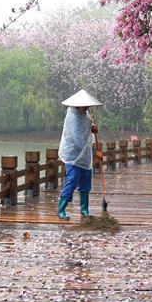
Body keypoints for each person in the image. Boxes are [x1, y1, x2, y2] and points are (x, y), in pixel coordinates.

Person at [57, 88, 103, 220]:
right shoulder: (72, 115)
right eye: (85, 105)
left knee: (86, 179)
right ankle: (61, 209)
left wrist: (91, 128)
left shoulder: (86, 114)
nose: (87, 107)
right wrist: (95, 152)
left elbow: (86, 131)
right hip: (73, 154)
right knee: (72, 180)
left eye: (88, 105)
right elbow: (78, 139)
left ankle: (84, 209)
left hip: (84, 155)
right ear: (78, 104)